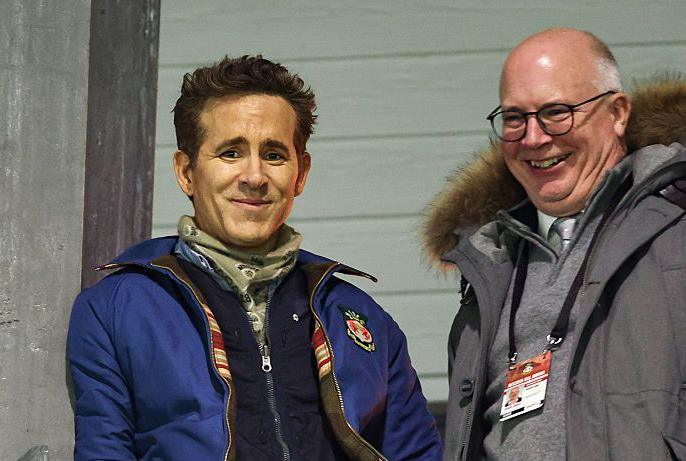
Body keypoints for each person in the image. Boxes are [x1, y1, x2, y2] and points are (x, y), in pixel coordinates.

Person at [422, 28, 686, 460]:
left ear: (617, 113)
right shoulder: (488, 264)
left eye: (557, 112)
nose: (534, 138)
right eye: (515, 118)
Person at [69, 55, 442, 461]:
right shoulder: (115, 307)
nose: (254, 176)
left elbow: (416, 453)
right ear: (186, 172)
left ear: (300, 173)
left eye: (274, 155)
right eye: (230, 153)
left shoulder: (358, 313)